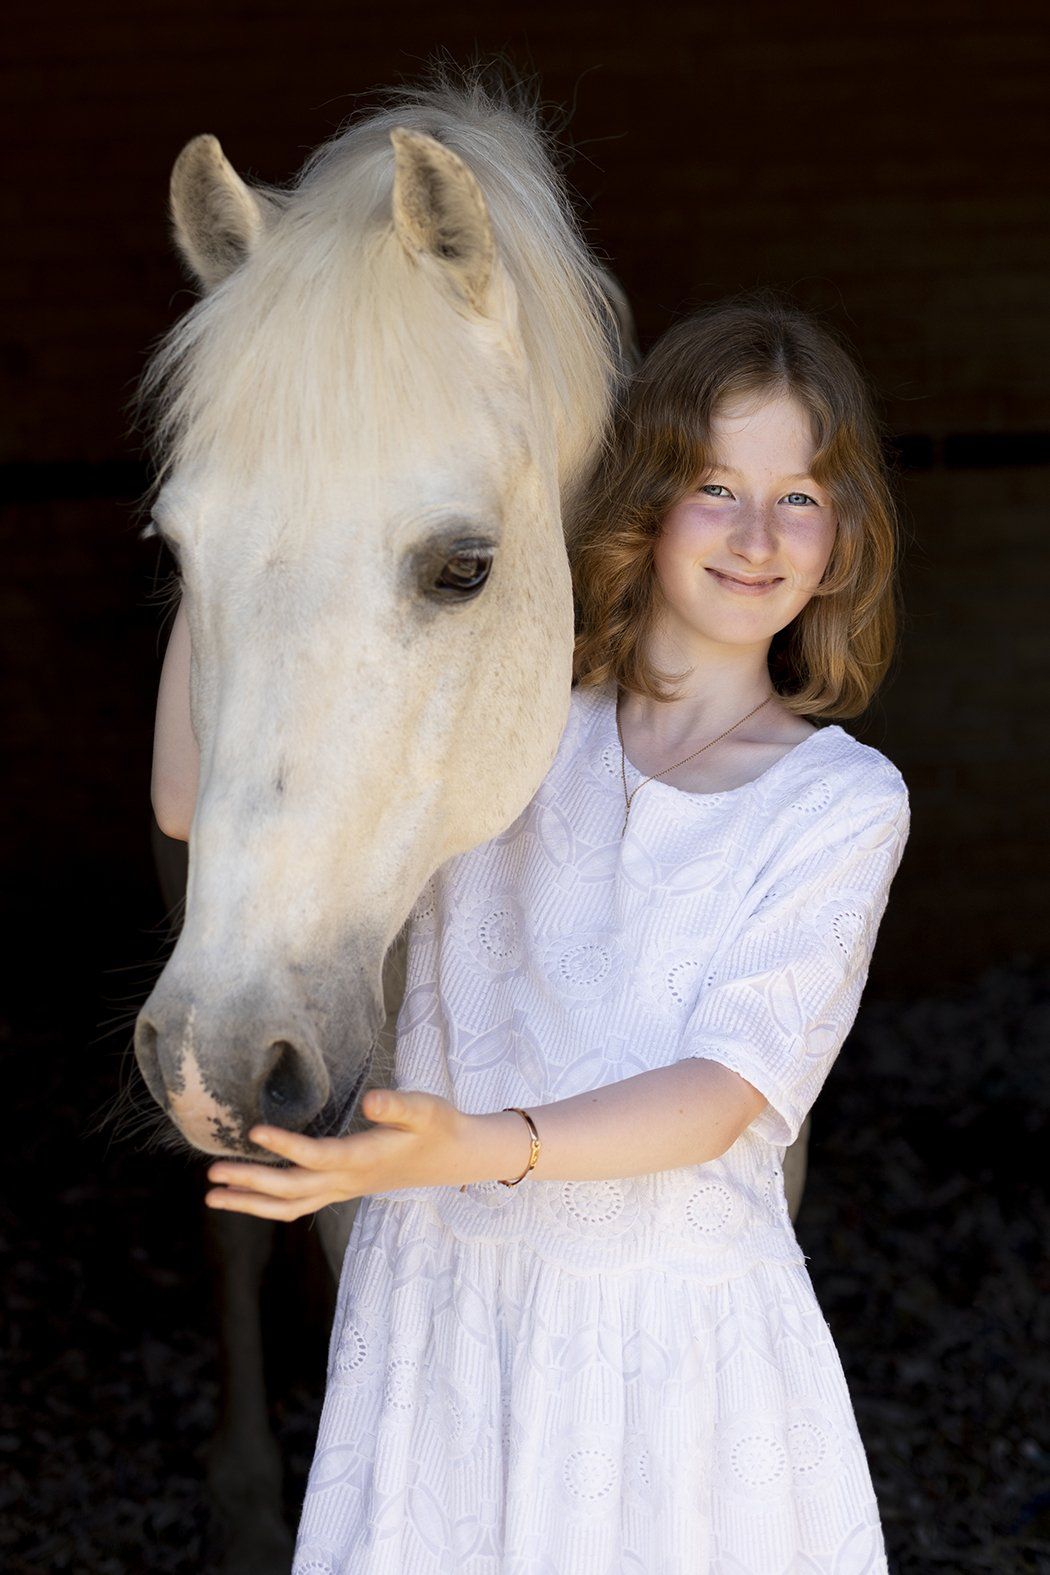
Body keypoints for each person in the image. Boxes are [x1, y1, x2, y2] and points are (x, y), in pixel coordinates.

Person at [203, 290, 911, 1572]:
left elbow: (721, 1094)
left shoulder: (842, 802)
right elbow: (178, 798)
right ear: (648, 500)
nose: (757, 536)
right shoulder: (509, 733)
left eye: (799, 496)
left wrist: (474, 1147)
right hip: (446, 1321)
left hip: (674, 1353)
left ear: (844, 536)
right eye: (716, 486)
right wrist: (236, 524)